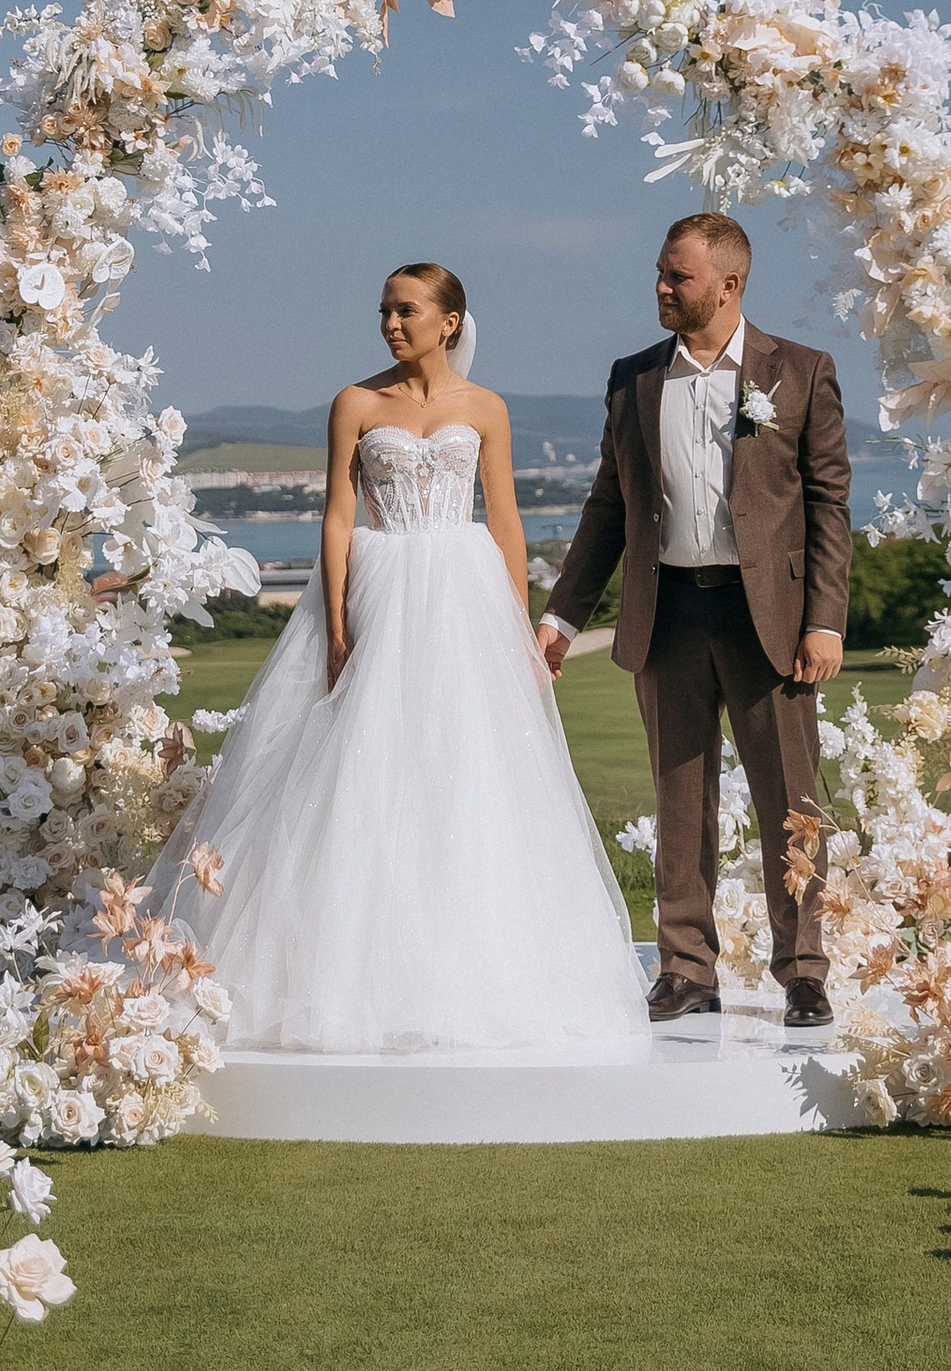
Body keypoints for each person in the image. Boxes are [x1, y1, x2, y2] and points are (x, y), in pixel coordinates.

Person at [160, 264, 649, 1056]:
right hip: (380, 586)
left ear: (449, 321)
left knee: (466, 768)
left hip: (463, 595)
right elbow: (337, 516)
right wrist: (338, 624)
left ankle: (470, 973)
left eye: (406, 310)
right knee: (363, 765)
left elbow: (506, 522)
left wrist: (520, 630)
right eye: (384, 310)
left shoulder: (485, 408)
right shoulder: (355, 403)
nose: (390, 323)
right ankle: (340, 972)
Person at [539, 213, 851, 1030]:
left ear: (729, 284)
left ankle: (803, 971)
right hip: (667, 612)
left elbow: (828, 504)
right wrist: (563, 615)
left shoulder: (802, 372)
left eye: (678, 276)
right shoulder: (633, 379)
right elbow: (609, 508)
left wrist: (825, 619)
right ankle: (685, 969)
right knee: (680, 800)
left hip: (771, 620)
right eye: (660, 271)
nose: (662, 287)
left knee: (793, 801)